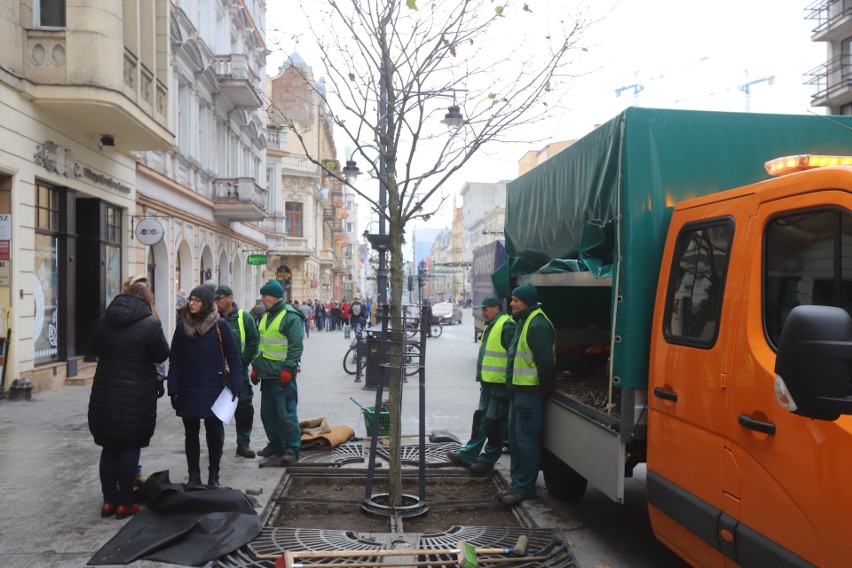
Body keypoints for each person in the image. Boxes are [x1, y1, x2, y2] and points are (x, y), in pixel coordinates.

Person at [88, 282, 170, 519]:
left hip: (105, 392)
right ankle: (124, 502)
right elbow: (162, 354)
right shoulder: (150, 323)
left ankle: (108, 502)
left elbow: (93, 347)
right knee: (130, 446)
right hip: (137, 395)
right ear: (147, 299)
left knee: (109, 446)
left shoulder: (105, 319)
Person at [167, 285, 242, 487]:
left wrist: (236, 384)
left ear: (206, 304)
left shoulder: (220, 326)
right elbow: (175, 359)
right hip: (188, 387)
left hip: (213, 386)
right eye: (190, 299)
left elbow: (234, 357)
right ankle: (194, 476)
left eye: (196, 300)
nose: (191, 303)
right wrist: (172, 389)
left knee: (214, 433)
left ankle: (214, 476)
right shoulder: (183, 327)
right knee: (191, 433)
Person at [500, 283, 556, 505]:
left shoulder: (538, 324)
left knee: (525, 442)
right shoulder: (524, 321)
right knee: (515, 441)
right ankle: (517, 484)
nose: (511, 304)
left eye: (516, 300)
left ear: (527, 302)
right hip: (519, 392)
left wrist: (543, 387)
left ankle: (525, 488)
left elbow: (545, 363)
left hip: (529, 393)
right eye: (512, 299)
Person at [447, 296, 516, 476]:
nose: (483, 312)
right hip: (488, 383)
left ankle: (487, 460)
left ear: (496, 308)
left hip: (500, 385)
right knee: (482, 419)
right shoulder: (493, 325)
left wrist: (509, 384)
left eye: (485, 309)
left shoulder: (506, 325)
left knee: (494, 424)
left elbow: (513, 358)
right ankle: (468, 454)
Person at [253, 279, 305, 466]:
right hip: (267, 374)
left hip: (282, 375)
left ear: (274, 297)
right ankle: (275, 444)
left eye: (264, 295)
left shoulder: (290, 316)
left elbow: (296, 346)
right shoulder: (266, 315)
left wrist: (288, 369)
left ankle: (292, 448)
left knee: (286, 414)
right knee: (267, 414)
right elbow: (262, 345)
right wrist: (256, 367)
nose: (262, 298)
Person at [214, 284, 260, 459]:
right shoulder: (212, 317)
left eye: (219, 299)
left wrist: (242, 363)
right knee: (217, 412)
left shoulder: (244, 317)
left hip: (238, 372)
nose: (216, 302)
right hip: (217, 374)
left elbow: (253, 342)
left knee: (244, 409)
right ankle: (216, 444)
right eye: (215, 299)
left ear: (229, 298)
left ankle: (243, 444)